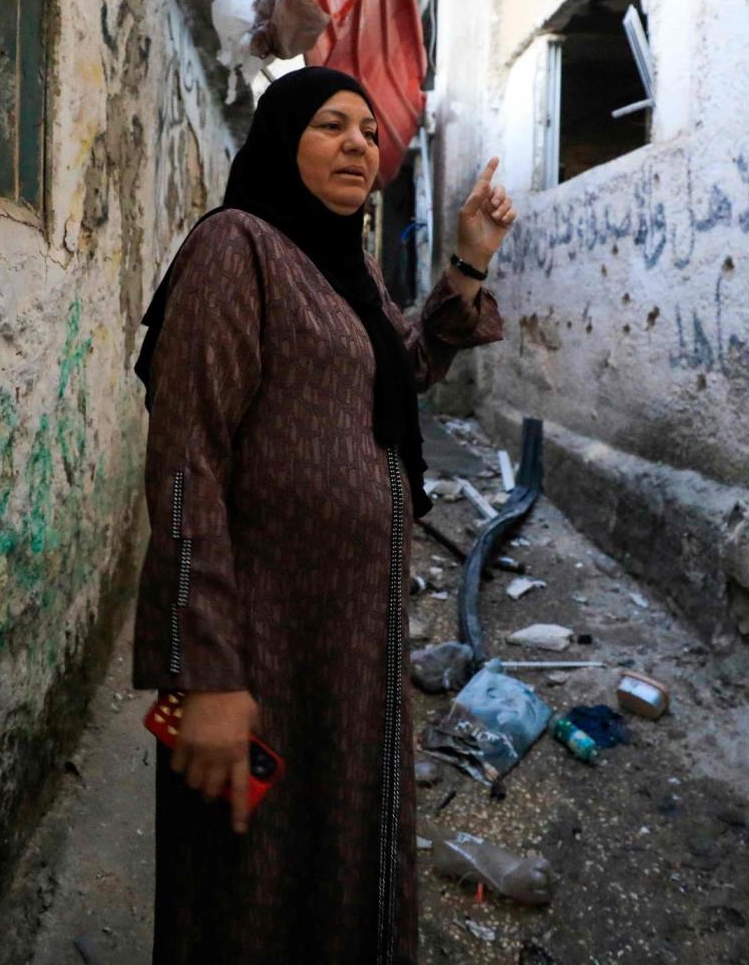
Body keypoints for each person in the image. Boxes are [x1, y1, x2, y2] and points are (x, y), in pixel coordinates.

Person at [131, 66, 516, 963]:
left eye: (370, 133)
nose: (358, 144)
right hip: (262, 634)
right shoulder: (238, 248)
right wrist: (207, 675)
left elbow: (406, 368)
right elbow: (186, 466)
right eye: (332, 125)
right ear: (279, 140)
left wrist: (469, 259)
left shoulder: (343, 267)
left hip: (344, 636)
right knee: (244, 878)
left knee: (338, 854)